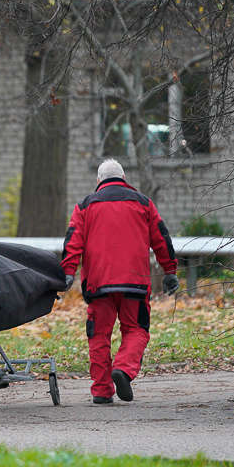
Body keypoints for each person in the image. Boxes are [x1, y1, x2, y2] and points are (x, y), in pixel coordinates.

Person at [61, 158, 179, 404]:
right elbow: (161, 238)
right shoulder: (144, 203)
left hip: (98, 283)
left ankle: (102, 391)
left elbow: (73, 241)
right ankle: (123, 369)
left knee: (99, 336)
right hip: (135, 283)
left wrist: (68, 272)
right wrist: (170, 271)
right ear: (124, 179)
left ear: (98, 182)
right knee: (136, 330)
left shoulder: (84, 206)